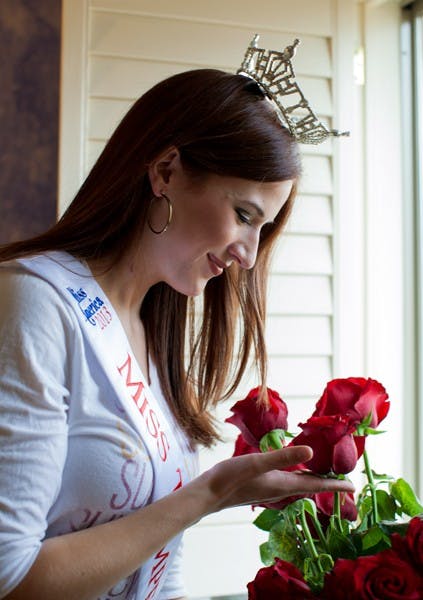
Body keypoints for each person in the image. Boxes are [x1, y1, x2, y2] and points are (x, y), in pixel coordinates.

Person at [0, 68, 354, 600]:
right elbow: (11, 577)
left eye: (263, 229)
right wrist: (210, 493)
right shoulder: (36, 302)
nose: (248, 255)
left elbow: (160, 568)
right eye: (242, 214)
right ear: (165, 171)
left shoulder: (152, 333)